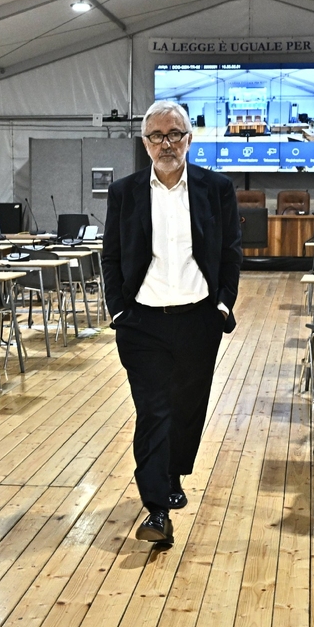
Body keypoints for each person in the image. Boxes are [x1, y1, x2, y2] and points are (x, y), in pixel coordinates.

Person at [102, 100, 242, 547]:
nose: (167, 143)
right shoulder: (124, 192)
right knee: (153, 410)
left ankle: (174, 472)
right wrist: (118, 311)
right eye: (158, 136)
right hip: (142, 322)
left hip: (199, 318)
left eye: (175, 134)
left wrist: (222, 306)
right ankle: (156, 508)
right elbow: (111, 256)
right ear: (145, 143)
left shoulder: (216, 188)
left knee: (187, 408)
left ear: (189, 139)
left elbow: (230, 252)